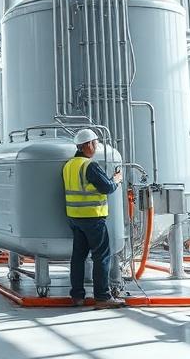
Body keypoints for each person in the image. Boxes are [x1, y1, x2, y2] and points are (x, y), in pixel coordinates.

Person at [63, 129, 125, 308]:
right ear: (87, 145)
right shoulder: (89, 165)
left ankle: (77, 296)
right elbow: (107, 188)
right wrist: (116, 179)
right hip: (92, 217)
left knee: (78, 257)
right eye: (95, 144)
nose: (96, 147)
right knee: (102, 256)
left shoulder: (69, 165)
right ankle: (102, 298)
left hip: (75, 217)